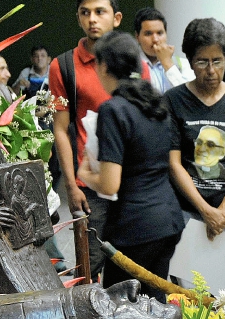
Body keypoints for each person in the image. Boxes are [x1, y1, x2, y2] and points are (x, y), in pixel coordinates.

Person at [74, 32, 184, 301]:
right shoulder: (157, 103)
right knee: (154, 303)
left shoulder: (114, 109)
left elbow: (111, 184)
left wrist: (85, 174)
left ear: (102, 66)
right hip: (168, 219)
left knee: (121, 308)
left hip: (134, 226)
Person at [49, 0, 146, 278]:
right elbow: (61, 130)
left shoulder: (133, 62)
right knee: (88, 267)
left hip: (130, 181)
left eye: (100, 11)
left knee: (133, 265)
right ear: (78, 17)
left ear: (115, 18)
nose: (92, 19)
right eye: (85, 12)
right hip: (90, 185)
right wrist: (71, 186)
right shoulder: (63, 66)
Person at [165, 18, 225, 246]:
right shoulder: (173, 100)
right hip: (188, 211)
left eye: (217, 61)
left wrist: (223, 210)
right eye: (202, 62)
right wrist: (206, 210)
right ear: (189, 61)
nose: (211, 71)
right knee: (188, 282)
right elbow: (174, 163)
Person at [134, 7, 194, 94]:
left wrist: (167, 64)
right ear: (137, 37)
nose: (155, 39)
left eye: (160, 33)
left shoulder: (182, 64)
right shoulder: (130, 65)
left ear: (166, 34)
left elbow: (189, 97)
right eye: (148, 34)